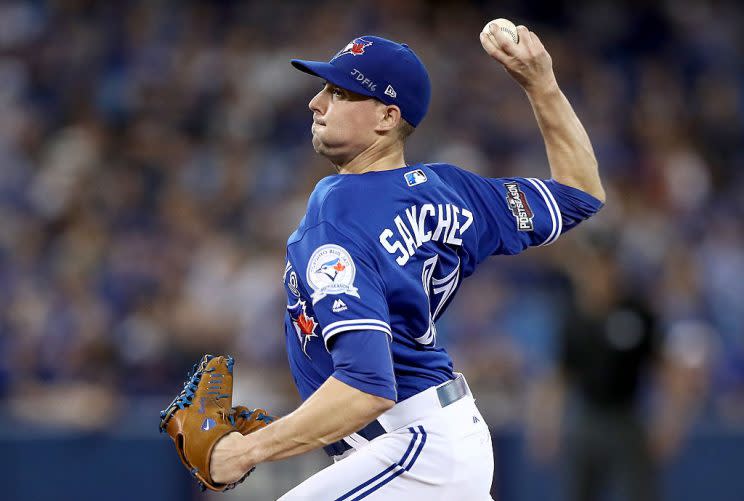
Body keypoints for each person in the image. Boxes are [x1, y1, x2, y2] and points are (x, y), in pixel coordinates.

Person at [209, 21, 605, 500]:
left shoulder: (338, 212)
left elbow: (367, 387)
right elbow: (581, 191)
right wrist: (542, 84)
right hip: (436, 440)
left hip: (413, 445)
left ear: (386, 116)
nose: (316, 103)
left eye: (339, 92)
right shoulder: (455, 191)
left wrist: (246, 451)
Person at [525, 249, 703, 501]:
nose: (596, 278)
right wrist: (544, 427)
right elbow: (557, 377)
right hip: (586, 419)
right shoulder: (574, 318)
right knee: (577, 492)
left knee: (638, 493)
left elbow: (667, 370)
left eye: (603, 269)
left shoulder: (637, 313)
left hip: (626, 419)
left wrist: (671, 422)